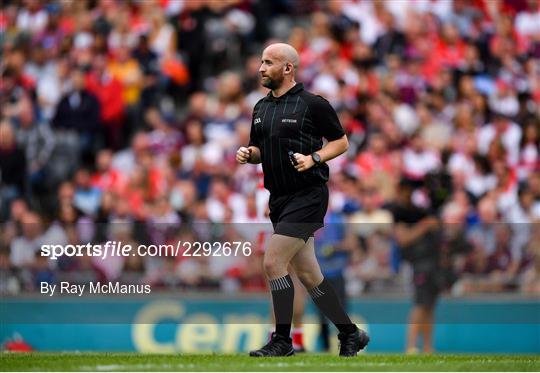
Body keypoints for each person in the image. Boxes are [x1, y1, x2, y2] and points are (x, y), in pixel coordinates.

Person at [236, 43, 369, 357]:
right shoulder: (260, 108)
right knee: (310, 274)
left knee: (273, 262)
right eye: (261, 61)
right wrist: (249, 154)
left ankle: (282, 340)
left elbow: (342, 142)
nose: (261, 68)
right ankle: (350, 334)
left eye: (269, 62)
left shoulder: (313, 104)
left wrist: (315, 158)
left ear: (288, 68)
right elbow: (259, 150)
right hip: (279, 199)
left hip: (308, 195)